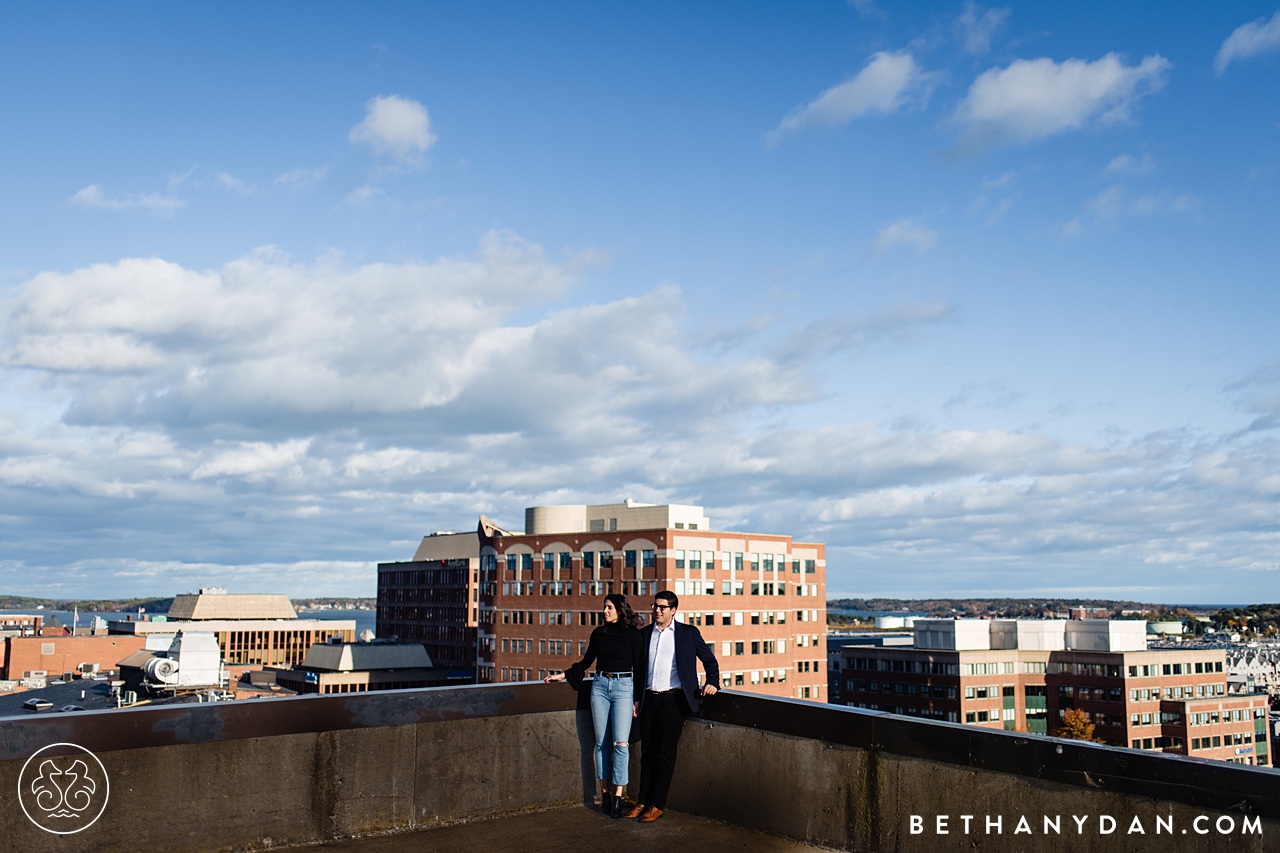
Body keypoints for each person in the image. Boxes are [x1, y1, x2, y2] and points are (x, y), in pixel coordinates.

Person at [622, 589, 719, 824]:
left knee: (664, 753)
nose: (656, 610)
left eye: (662, 607)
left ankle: (656, 804)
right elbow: (639, 671)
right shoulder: (645, 634)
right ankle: (643, 801)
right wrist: (636, 698)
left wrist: (712, 682)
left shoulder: (687, 633)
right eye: (654, 606)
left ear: (673, 610)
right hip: (648, 699)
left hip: (673, 701)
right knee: (647, 753)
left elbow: (709, 659)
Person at [544, 593, 644, 819]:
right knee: (600, 743)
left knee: (621, 743)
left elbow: (639, 669)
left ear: (620, 609)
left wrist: (637, 699)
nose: (605, 611)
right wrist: (563, 675)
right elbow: (586, 662)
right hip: (599, 686)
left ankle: (618, 795)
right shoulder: (599, 634)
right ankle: (605, 793)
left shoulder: (634, 636)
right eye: (604, 607)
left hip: (623, 687)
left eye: (609, 607)